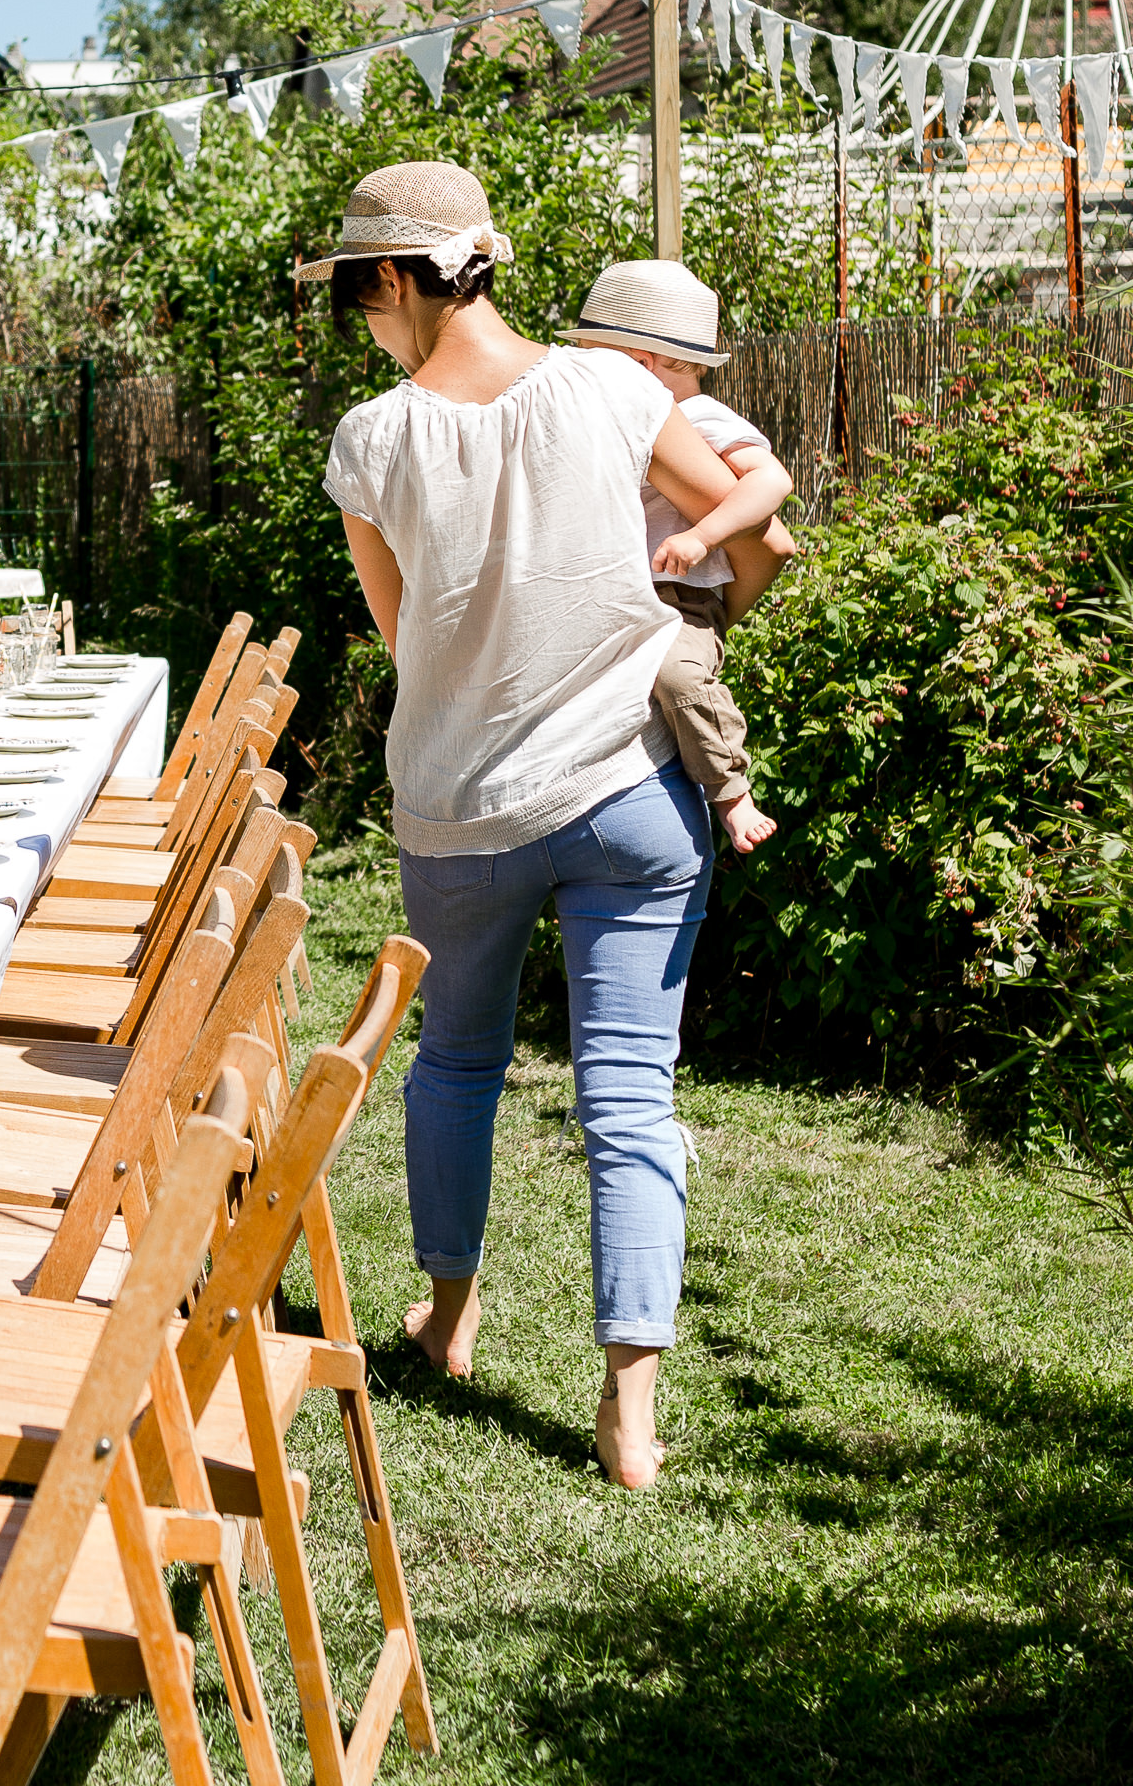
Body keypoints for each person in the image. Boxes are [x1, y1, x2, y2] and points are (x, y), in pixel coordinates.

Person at [305, 162, 781, 1491]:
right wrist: (685, 622)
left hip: (455, 807)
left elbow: (404, 635)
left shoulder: (370, 439)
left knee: (453, 1065)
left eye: (360, 294)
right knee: (629, 1092)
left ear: (399, 280)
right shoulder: (620, 389)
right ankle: (628, 1414)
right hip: (629, 795)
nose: (363, 321)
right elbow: (743, 530)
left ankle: (446, 1321)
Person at [561, 260, 794, 856]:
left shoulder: (699, 419)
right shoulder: (607, 422)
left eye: (592, 358)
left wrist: (704, 535)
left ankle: (731, 793)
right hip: (621, 595)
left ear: (640, 366)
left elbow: (772, 482)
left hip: (678, 595)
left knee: (678, 676)